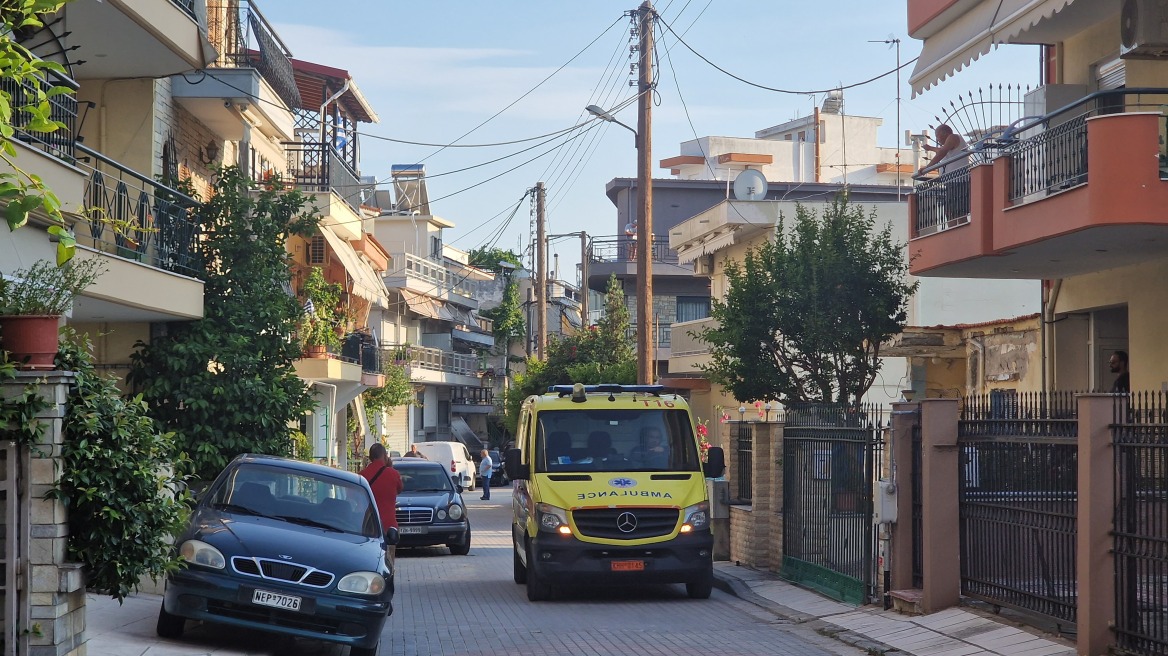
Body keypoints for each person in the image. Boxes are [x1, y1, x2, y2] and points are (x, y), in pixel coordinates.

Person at [359, 443, 404, 565]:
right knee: (389, 563)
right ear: (385, 456)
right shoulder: (393, 474)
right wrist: (390, 467)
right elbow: (400, 489)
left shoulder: (362, 476)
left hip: (369, 527)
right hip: (389, 526)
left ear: (370, 457)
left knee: (370, 562)